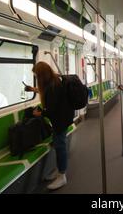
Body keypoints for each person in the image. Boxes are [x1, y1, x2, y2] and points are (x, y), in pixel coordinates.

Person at [24, 61, 74, 190]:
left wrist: (39, 113)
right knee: (58, 143)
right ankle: (59, 170)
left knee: (60, 145)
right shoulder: (55, 81)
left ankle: (62, 175)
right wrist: (32, 89)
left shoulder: (53, 88)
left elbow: (51, 110)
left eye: (36, 76)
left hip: (60, 120)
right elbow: (49, 96)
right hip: (65, 117)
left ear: (41, 75)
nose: (36, 78)